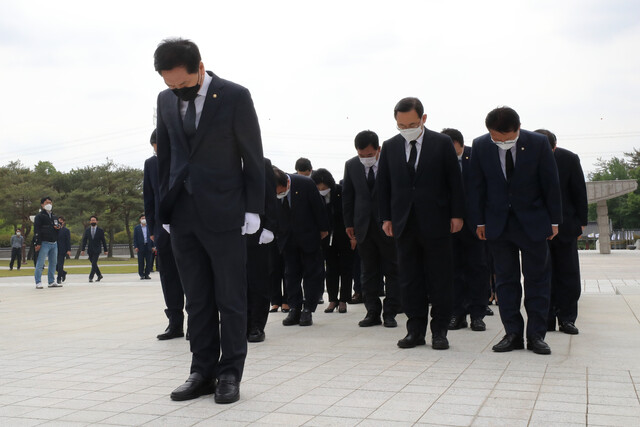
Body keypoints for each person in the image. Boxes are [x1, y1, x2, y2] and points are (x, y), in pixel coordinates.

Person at [154, 38, 264, 404]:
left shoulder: (234, 96)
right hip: (182, 215)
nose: (177, 92)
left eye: (183, 85)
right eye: (170, 86)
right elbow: (167, 158)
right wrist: (165, 210)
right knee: (197, 299)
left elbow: (253, 154)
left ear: (200, 67)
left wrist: (253, 209)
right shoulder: (165, 100)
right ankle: (201, 371)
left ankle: (230, 372)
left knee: (229, 298)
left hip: (225, 211)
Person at [468, 107, 561, 355]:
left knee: (537, 281)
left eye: (507, 137)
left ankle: (537, 336)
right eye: (496, 138)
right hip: (498, 225)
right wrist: (479, 222)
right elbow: (476, 186)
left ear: (518, 128)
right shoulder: (480, 145)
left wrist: (554, 221)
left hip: (533, 222)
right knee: (506, 282)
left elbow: (551, 184)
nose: (501, 142)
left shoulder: (538, 143)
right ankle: (512, 334)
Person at [378, 97, 465, 350]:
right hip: (404, 223)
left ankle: (440, 331)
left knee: (440, 278)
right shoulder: (391, 146)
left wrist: (457, 214)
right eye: (402, 126)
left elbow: (454, 182)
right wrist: (386, 217)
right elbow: (384, 185)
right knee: (409, 279)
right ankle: (414, 331)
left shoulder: (442, 143)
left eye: (412, 124)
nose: (407, 129)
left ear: (423, 119)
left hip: (437, 222)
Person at [342, 130, 400, 328]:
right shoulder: (351, 165)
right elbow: (348, 196)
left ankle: (390, 312)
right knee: (368, 272)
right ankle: (372, 312)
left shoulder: (390, 162)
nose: (365, 159)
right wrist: (349, 224)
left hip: (388, 225)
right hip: (363, 226)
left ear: (378, 150)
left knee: (393, 270)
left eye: (369, 155)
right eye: (361, 155)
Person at [535, 129, 588, 335]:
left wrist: (581, 223)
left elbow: (579, 192)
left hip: (566, 228)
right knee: (541, 274)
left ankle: (567, 319)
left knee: (568, 274)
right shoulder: (524, 159)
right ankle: (546, 318)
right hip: (538, 228)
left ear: (554, 147)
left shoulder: (569, 159)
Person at [441, 128, 490, 332]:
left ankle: (477, 314)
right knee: (453, 271)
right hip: (449, 225)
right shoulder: (439, 159)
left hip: (475, 225)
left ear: (460, 144)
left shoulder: (476, 156)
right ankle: (457, 313)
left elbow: (485, 188)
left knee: (477, 270)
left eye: (452, 148)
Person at [273, 166, 329, 327]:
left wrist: (323, 229)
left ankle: (308, 309)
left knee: (312, 273)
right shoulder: (269, 187)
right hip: (286, 238)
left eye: (281, 191)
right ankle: (294, 308)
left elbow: (319, 207)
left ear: (287, 183)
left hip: (308, 235)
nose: (278, 194)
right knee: (291, 274)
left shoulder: (305, 183)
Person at [143, 129, 186, 340]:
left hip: (187, 226)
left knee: (192, 276)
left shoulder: (186, 158)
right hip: (162, 231)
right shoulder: (151, 164)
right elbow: (149, 200)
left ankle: (198, 323)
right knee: (168, 277)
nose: (158, 152)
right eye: (155, 149)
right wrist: (152, 230)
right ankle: (175, 323)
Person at [311, 169, 353, 314]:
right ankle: (333, 299)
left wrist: (353, 236)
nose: (322, 191)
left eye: (324, 188)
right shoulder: (315, 195)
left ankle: (343, 300)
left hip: (344, 234)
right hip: (325, 237)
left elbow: (349, 211)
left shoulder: (341, 191)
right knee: (331, 269)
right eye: (319, 188)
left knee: (346, 268)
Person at [246, 158, 279, 342]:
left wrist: (270, 227)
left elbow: (270, 197)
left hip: (257, 233)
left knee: (257, 281)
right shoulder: (221, 158)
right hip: (229, 231)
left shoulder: (261, 163)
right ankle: (240, 324)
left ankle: (256, 325)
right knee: (235, 283)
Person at [33, 197, 62, 289]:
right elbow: (36, 230)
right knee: (40, 263)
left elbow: (57, 227)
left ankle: (51, 281)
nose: (49, 204)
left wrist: (58, 227)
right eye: (46, 203)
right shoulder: (40, 216)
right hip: (44, 242)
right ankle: (38, 282)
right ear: (42, 205)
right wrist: (37, 242)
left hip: (54, 242)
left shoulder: (54, 216)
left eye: (50, 202)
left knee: (53, 263)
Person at [81, 216, 108, 282]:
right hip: (90, 249)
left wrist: (105, 250)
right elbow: (84, 240)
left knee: (94, 263)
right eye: (92, 220)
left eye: (94, 220)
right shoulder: (87, 230)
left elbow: (103, 240)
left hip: (97, 249)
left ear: (97, 221)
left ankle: (91, 277)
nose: (93, 221)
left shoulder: (100, 230)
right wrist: (83, 249)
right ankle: (99, 275)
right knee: (93, 263)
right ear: (90, 222)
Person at [133, 214, 155, 280]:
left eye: (145, 218)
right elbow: (135, 238)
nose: (144, 219)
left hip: (148, 246)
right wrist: (136, 246)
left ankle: (147, 274)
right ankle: (141, 274)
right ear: (140, 219)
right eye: (142, 218)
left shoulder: (149, 227)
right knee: (141, 261)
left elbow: (153, 237)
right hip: (140, 247)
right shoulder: (137, 228)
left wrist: (154, 246)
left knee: (149, 261)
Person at [56, 216, 71, 284]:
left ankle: (59, 278)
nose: (60, 222)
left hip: (62, 250)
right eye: (58, 220)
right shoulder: (55, 229)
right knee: (54, 265)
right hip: (54, 249)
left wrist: (68, 250)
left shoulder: (66, 230)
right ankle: (63, 273)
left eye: (61, 220)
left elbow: (68, 241)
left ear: (63, 222)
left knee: (60, 264)